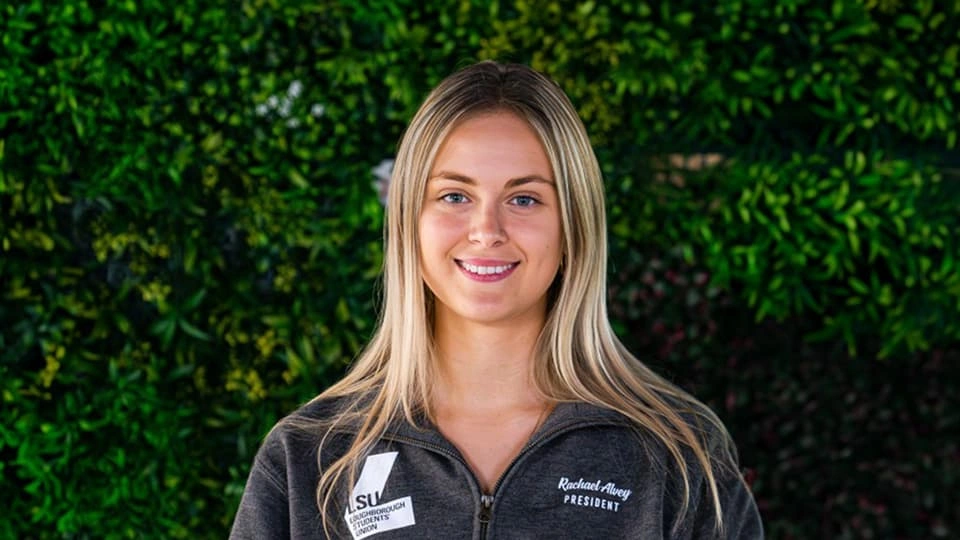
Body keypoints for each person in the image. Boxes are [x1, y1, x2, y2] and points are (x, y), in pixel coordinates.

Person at [230, 61, 763, 539]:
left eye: (524, 198)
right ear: (409, 221)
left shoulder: (675, 458)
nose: (487, 230)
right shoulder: (313, 458)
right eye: (454, 196)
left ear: (572, 228)